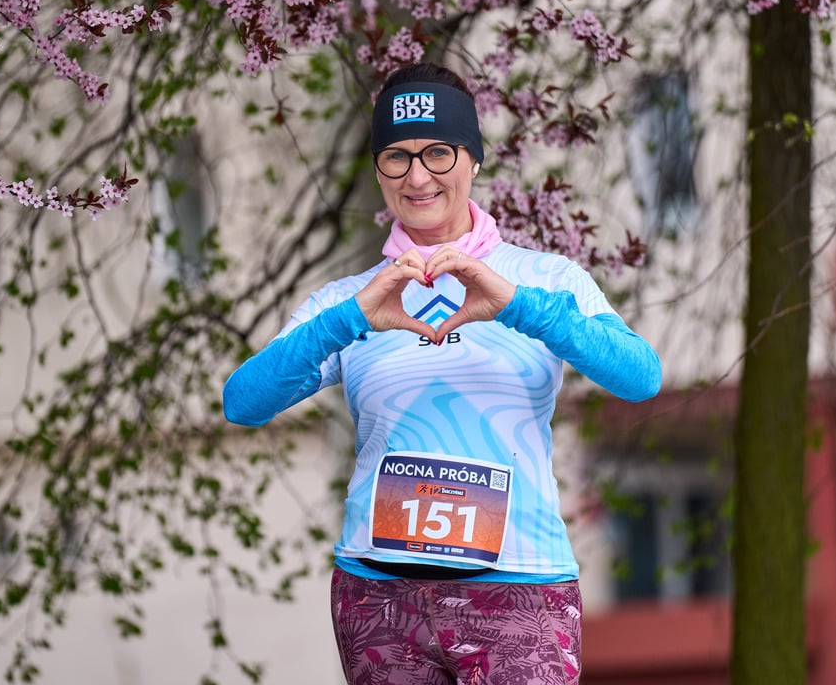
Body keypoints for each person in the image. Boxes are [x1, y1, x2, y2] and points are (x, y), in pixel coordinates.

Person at [222, 62, 662, 685]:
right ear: (379, 170)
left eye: (437, 152)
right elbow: (242, 403)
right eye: (396, 157)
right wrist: (350, 320)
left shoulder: (547, 280)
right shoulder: (350, 301)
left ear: (473, 159)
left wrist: (518, 306)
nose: (418, 176)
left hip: (519, 589)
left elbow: (640, 377)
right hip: (379, 597)